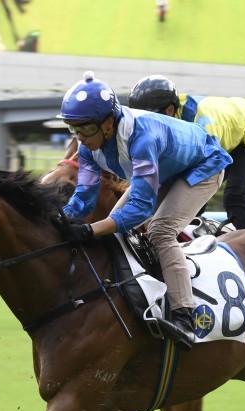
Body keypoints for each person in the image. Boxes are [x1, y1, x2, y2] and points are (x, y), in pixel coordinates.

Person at [55, 72, 232, 351]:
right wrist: (61, 220)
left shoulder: (142, 137)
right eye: (73, 129)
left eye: (86, 129)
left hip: (203, 167)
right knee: (112, 227)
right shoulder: (89, 146)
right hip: (167, 168)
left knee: (160, 230)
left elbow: (140, 207)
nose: (80, 138)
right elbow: (84, 198)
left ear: (109, 123)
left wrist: (91, 229)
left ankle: (186, 315)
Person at [128, 75, 245, 231]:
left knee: (234, 197)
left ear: (170, 110)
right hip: (229, 130)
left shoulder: (201, 125)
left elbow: (206, 170)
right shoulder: (168, 115)